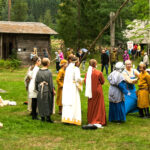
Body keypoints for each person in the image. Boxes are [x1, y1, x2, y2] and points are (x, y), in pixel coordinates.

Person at [85, 59, 106, 128]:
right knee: (99, 106)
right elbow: (102, 81)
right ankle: (98, 119)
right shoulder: (99, 72)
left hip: (90, 91)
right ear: (95, 64)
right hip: (97, 90)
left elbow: (85, 82)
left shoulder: (87, 73)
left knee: (91, 105)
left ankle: (91, 119)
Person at [62, 57, 83, 125]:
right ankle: (73, 118)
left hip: (67, 87)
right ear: (76, 62)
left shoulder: (67, 68)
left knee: (67, 102)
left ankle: (66, 118)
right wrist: (82, 80)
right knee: (74, 102)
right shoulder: (76, 69)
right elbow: (77, 78)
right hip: (73, 87)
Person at [35, 58, 55, 123]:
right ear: (48, 64)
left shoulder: (39, 71)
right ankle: (48, 117)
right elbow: (50, 82)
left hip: (40, 89)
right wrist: (52, 90)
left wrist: (37, 88)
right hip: (47, 89)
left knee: (41, 102)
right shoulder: (49, 72)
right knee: (48, 102)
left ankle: (42, 117)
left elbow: (36, 81)